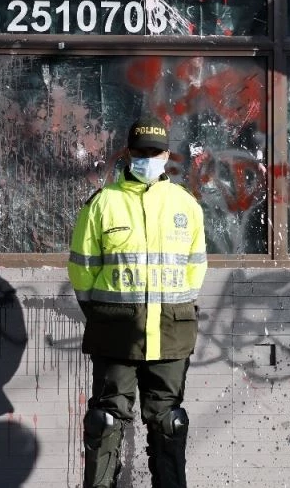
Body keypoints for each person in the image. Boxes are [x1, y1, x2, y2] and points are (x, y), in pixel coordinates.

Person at [68, 117, 207, 488]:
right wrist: (107, 315)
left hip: (171, 333)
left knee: (169, 422)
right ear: (128, 154)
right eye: (142, 151)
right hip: (116, 333)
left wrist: (174, 309)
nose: (149, 158)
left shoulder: (185, 205)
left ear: (167, 155)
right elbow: (82, 273)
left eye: (155, 152)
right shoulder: (102, 204)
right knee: (105, 421)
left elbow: (195, 271)